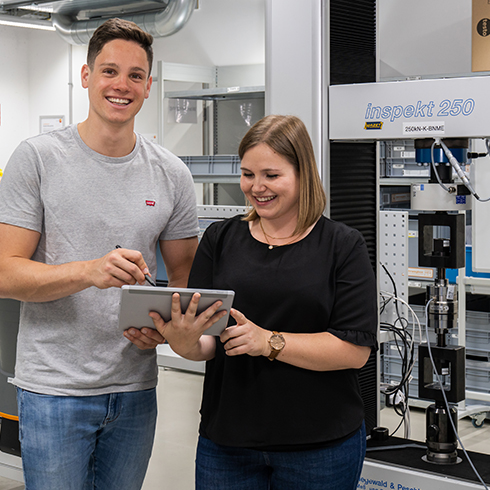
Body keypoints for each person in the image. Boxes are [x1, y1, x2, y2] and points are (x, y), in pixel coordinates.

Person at [0, 18, 200, 490]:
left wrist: (167, 330)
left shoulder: (172, 174)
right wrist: (88, 271)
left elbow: (186, 282)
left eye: (135, 75)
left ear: (149, 86)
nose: (121, 85)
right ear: (86, 76)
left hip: (135, 388)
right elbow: (6, 273)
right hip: (53, 390)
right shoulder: (37, 158)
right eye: (109, 71)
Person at [128, 114, 378, 489]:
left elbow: (354, 350)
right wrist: (182, 341)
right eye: (248, 174)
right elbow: (208, 341)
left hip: (319, 444)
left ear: (302, 174)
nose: (256, 187)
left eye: (271, 175)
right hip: (227, 441)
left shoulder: (342, 245)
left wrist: (268, 342)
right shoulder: (220, 239)